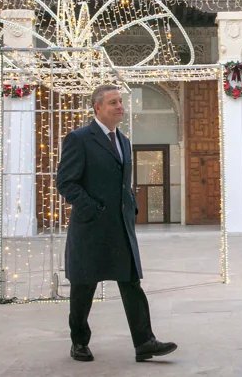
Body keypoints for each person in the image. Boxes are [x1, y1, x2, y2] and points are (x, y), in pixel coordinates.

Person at [56, 84, 177, 362]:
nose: (120, 107)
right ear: (97, 107)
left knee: (131, 282)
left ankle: (145, 342)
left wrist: (131, 206)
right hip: (90, 227)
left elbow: (123, 183)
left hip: (120, 227)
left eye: (120, 102)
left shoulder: (123, 140)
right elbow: (65, 182)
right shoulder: (79, 139)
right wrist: (92, 208)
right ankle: (79, 343)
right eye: (113, 102)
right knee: (84, 286)